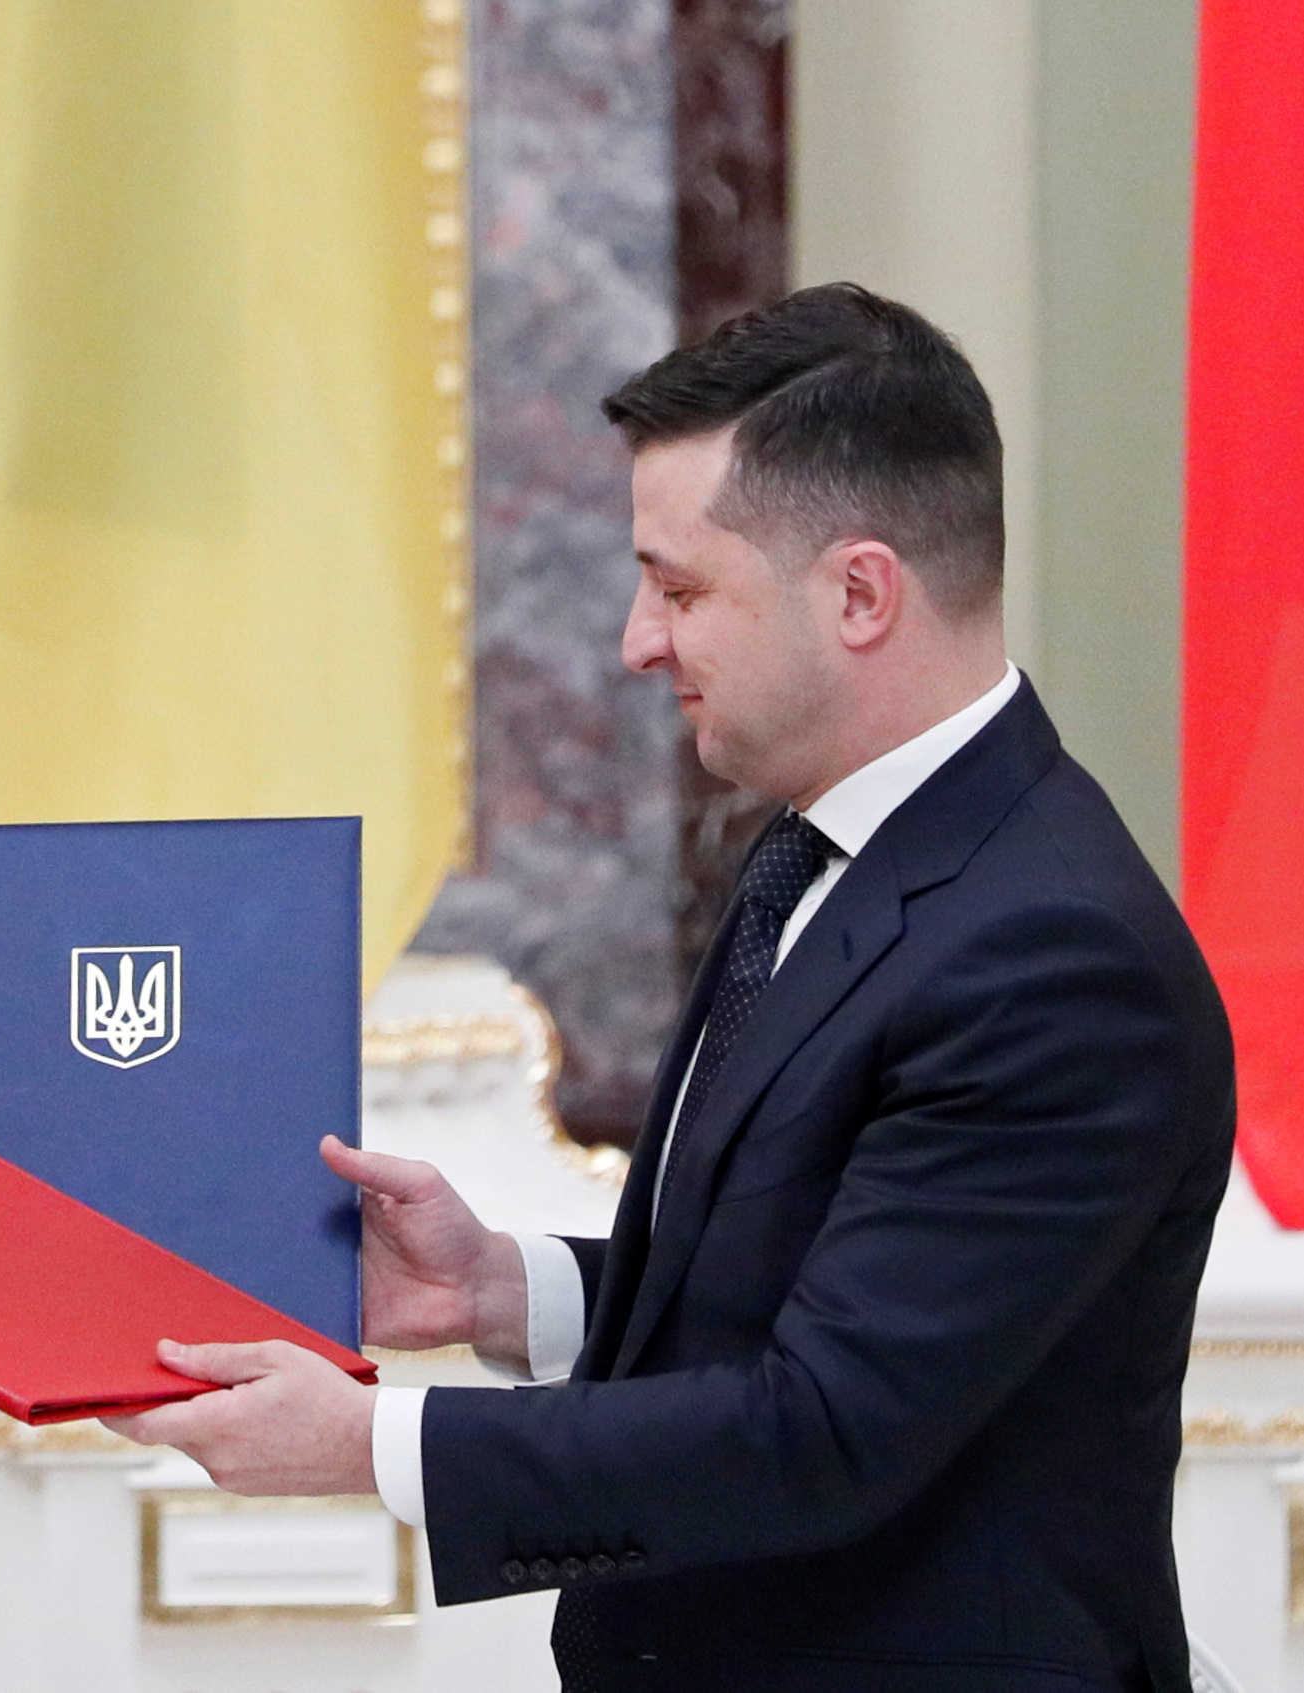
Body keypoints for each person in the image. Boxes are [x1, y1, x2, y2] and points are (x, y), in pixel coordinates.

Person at [110, 283, 1233, 1691]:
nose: (639, 641)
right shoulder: (822, 847)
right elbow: (803, 1289)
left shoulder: (1054, 956)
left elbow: (825, 1428)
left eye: (681, 588)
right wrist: (500, 1290)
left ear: (860, 593)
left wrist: (373, 1443)